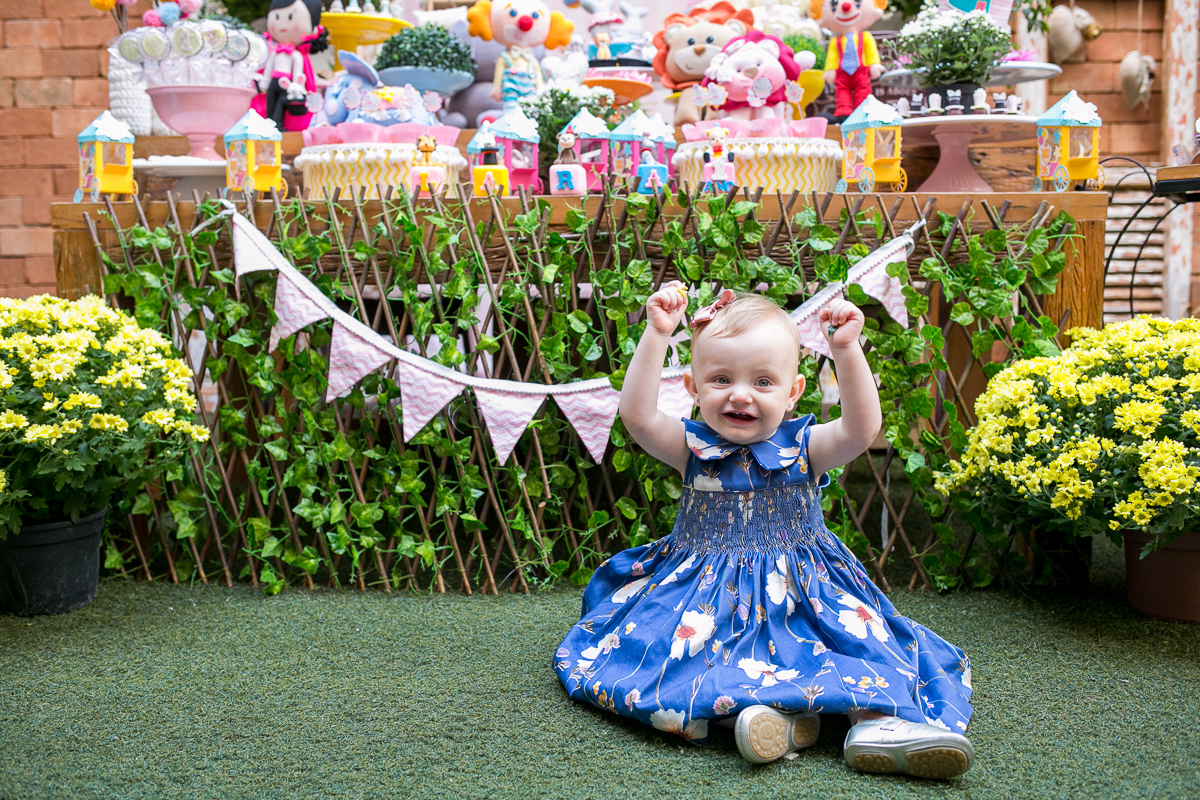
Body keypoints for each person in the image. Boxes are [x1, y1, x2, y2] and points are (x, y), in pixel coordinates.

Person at [554, 285, 975, 779]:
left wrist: (846, 350)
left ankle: (877, 723)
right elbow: (638, 416)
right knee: (687, 663)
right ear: (691, 386)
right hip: (707, 595)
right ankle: (781, 717)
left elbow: (862, 429)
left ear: (793, 391)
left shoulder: (806, 448)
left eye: (762, 381)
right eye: (720, 379)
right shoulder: (691, 449)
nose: (740, 394)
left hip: (805, 592)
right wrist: (656, 334)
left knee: (859, 644)